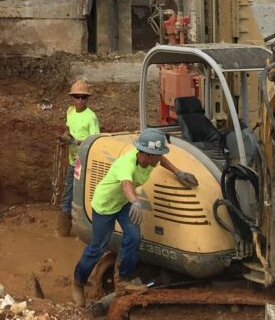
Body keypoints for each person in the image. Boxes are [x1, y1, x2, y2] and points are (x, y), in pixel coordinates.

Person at [71, 126, 198, 305]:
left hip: (123, 203)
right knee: (98, 247)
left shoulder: (150, 158)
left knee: (134, 238)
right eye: (156, 154)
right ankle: (78, 282)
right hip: (106, 206)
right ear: (146, 154)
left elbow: (162, 159)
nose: (159, 157)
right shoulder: (126, 164)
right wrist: (135, 201)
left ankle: (123, 281)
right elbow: (126, 185)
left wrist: (178, 172)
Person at [57, 79, 100, 236]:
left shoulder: (91, 117)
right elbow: (68, 129)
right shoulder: (70, 111)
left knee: (86, 196)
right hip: (72, 162)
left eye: (83, 97)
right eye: (77, 97)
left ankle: (89, 231)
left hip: (85, 163)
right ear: (72, 98)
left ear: (87, 99)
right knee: (67, 195)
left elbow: (95, 142)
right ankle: (63, 231)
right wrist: (65, 138)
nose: (80, 100)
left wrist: (75, 142)